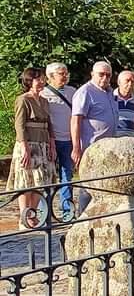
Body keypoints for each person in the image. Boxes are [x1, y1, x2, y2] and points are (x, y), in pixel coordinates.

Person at [6, 68, 56, 229]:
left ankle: (33, 214)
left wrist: (52, 144)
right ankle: (24, 216)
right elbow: (19, 125)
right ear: (29, 81)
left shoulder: (45, 101)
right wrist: (25, 147)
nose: (42, 82)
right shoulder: (23, 100)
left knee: (40, 181)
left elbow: (50, 125)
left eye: (43, 79)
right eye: (38, 79)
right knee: (25, 181)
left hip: (43, 144)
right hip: (28, 144)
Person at [71, 60, 119, 170]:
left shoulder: (110, 92)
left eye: (108, 75)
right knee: (90, 182)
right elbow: (75, 121)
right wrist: (76, 147)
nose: (105, 78)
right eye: (101, 74)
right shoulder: (85, 92)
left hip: (108, 146)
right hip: (91, 147)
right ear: (92, 74)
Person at [43, 62, 76, 218]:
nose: (65, 76)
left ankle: (67, 210)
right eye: (61, 73)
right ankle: (44, 212)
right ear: (51, 76)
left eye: (66, 72)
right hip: (51, 141)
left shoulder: (72, 92)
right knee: (47, 177)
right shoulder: (43, 94)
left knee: (67, 175)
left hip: (68, 140)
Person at [114, 71, 134, 137]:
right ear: (119, 82)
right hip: (114, 139)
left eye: (133, 81)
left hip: (130, 139)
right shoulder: (111, 98)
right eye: (127, 80)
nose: (130, 84)